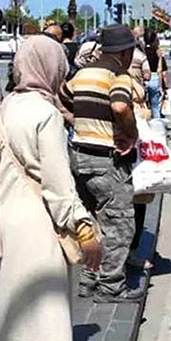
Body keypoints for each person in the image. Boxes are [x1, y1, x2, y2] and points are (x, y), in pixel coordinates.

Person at [0, 36, 101, 341]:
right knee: (43, 310)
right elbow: (58, 186)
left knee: (11, 303)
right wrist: (83, 228)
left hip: (2, 223)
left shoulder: (0, 109)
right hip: (38, 222)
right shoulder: (46, 114)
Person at [61, 24, 144, 302]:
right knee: (119, 224)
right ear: (125, 51)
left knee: (93, 221)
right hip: (106, 158)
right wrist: (129, 134)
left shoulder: (82, 74)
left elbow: (61, 100)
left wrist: (79, 122)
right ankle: (111, 285)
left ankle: (88, 279)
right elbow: (120, 106)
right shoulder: (118, 75)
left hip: (79, 156)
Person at [143, 30, 169, 119]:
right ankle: (157, 127)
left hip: (143, 79)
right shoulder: (158, 53)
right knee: (155, 106)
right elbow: (162, 71)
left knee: (142, 106)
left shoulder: (141, 52)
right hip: (154, 78)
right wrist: (165, 86)